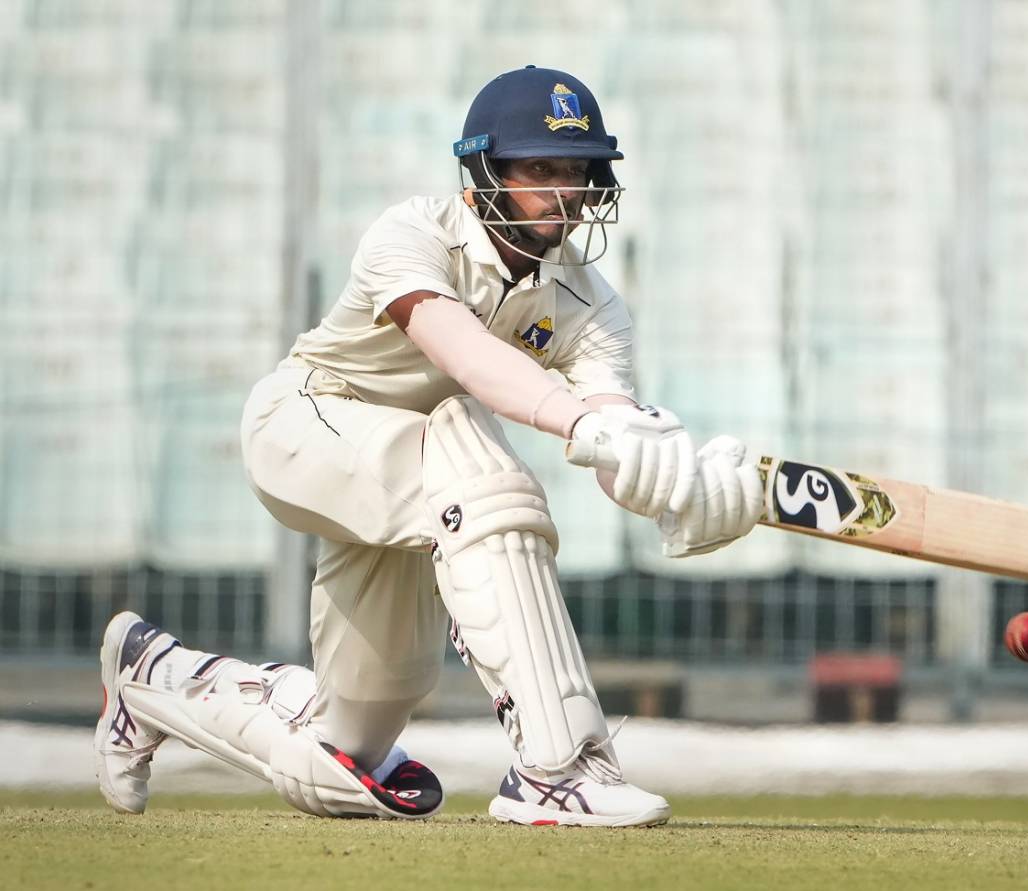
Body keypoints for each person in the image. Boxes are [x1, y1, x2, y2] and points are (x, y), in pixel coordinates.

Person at [94, 66, 762, 828]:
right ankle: (559, 765)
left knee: (344, 756)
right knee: (476, 455)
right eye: (540, 168)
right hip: (306, 424)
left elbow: (614, 441)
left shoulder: (592, 303)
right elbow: (466, 356)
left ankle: (151, 672)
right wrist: (585, 425)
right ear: (482, 172)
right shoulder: (412, 233)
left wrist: (680, 484)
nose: (564, 192)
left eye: (576, 170)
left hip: (413, 484)